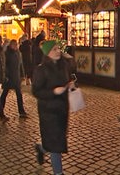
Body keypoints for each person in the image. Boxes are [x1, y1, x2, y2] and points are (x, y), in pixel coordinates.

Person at [32, 40, 76, 175]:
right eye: (54, 50)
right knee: (56, 144)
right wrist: (53, 92)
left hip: (62, 109)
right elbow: (36, 91)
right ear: (47, 53)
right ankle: (58, 173)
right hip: (48, 111)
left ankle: (42, 148)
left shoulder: (64, 65)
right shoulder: (41, 69)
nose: (58, 51)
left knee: (57, 140)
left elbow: (69, 77)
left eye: (58, 49)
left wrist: (71, 86)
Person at [0, 39, 27, 118]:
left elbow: (21, 65)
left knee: (19, 94)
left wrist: (22, 74)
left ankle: (21, 111)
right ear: (11, 45)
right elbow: (5, 66)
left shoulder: (18, 53)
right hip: (9, 77)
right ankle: (0, 109)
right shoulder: (7, 53)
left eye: (16, 45)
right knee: (4, 93)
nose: (16, 46)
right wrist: (6, 75)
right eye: (14, 45)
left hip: (16, 77)